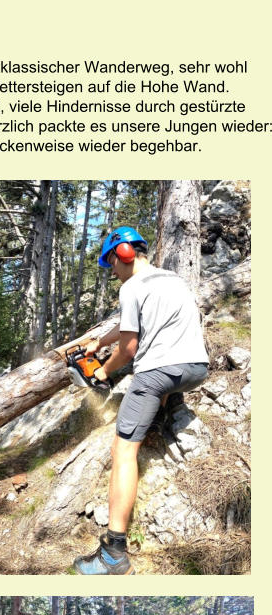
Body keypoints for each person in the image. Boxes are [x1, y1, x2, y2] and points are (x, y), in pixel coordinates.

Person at [73, 226, 209, 575]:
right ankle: (159, 417)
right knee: (159, 381)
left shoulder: (131, 286)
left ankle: (113, 554)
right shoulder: (171, 279)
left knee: (122, 453)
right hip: (195, 368)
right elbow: (131, 325)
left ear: (124, 254)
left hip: (157, 372)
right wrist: (98, 341)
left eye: (111, 264)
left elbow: (130, 350)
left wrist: (102, 372)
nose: (113, 272)